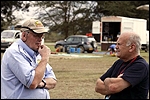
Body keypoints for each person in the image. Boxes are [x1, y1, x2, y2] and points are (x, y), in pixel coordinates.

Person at [1, 18, 57, 99]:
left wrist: (41, 83)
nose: (40, 39)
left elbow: (53, 81)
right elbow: (33, 83)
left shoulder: (37, 53)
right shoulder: (14, 52)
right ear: (24, 35)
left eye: (42, 36)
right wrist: (44, 58)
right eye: (36, 35)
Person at [95, 31, 149, 99]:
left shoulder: (141, 66)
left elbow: (113, 87)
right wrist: (113, 81)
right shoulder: (119, 62)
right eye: (116, 44)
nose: (116, 47)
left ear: (131, 47)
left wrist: (107, 81)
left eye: (119, 44)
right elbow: (97, 86)